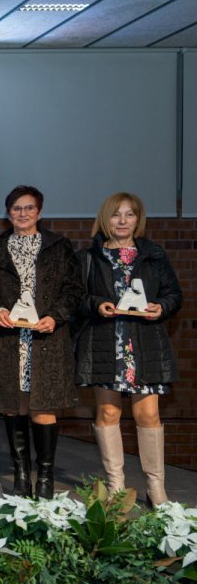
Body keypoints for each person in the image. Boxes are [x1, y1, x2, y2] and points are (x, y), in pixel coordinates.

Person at [0, 186, 84, 498]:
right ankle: (21, 476)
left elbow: (74, 290)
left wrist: (56, 316)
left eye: (29, 208)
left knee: (43, 406)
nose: (23, 213)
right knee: (14, 406)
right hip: (8, 340)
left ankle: (44, 477)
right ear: (8, 214)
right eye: (16, 208)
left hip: (46, 338)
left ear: (40, 212)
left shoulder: (59, 247)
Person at [74, 192, 182, 506]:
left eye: (129, 215)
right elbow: (76, 299)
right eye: (115, 215)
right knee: (108, 412)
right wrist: (97, 305)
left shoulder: (154, 255)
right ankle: (117, 488)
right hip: (106, 344)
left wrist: (160, 307)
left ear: (138, 219)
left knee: (147, 415)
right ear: (105, 219)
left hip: (144, 344)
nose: (122, 221)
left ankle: (156, 489)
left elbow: (174, 295)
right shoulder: (88, 257)